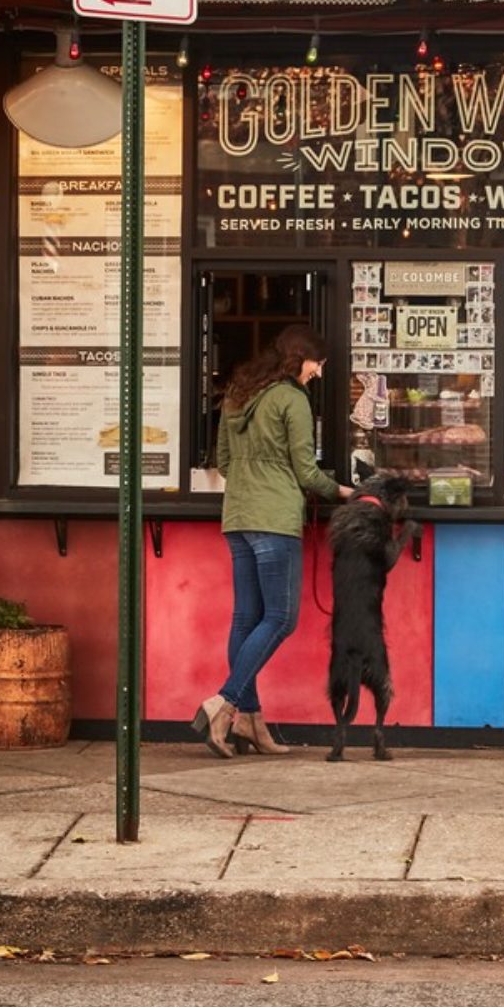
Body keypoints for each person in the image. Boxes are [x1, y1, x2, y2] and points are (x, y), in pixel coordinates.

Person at [192, 322, 352, 757]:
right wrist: (344, 491)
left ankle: (252, 723)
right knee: (280, 618)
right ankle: (223, 702)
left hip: (238, 516)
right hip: (275, 519)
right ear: (300, 359)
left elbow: (222, 461)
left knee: (246, 619)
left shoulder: (238, 393)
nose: (319, 372)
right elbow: (306, 472)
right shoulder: (292, 400)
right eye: (318, 363)